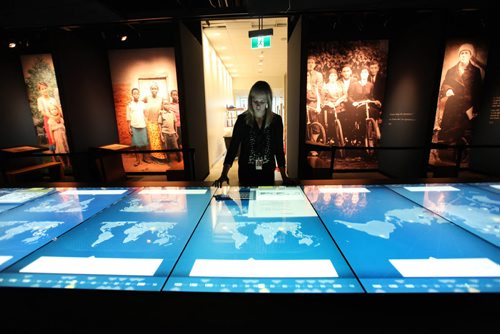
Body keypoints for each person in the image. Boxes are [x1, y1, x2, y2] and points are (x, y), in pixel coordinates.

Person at [213, 81, 295, 187]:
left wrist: (284, 176)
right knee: (246, 202)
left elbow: (279, 149)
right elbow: (233, 148)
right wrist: (224, 174)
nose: (257, 106)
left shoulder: (276, 121)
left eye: (262, 102)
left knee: (265, 201)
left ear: (268, 102)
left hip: (267, 172)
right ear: (250, 100)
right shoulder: (242, 120)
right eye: (255, 101)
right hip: (246, 172)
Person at [434, 42, 483, 161]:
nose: (463, 55)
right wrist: (448, 90)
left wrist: (476, 108)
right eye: (462, 53)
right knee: (448, 130)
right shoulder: (451, 70)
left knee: (463, 131)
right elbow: (445, 84)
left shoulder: (475, 71)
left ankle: (462, 157)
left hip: (467, 106)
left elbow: (478, 90)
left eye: (466, 53)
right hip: (453, 105)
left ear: (470, 55)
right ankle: (445, 156)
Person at [126, 88, 149, 167]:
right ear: (132, 94)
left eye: (137, 93)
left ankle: (145, 158)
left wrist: (146, 124)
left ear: (139, 94)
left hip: (143, 125)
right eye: (134, 93)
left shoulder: (142, 104)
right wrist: (129, 128)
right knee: (135, 145)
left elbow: (145, 114)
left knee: (144, 144)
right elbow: (128, 117)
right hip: (134, 126)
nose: (136, 94)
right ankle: (137, 160)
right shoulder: (129, 104)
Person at [143, 82, 165, 162]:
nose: (154, 90)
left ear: (158, 89)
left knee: (159, 139)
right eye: (152, 88)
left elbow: (163, 108)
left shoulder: (161, 98)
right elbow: (140, 103)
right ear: (150, 90)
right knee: (152, 140)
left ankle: (159, 156)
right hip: (150, 122)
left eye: (155, 88)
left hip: (158, 122)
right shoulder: (147, 98)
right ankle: (154, 156)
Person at [46, 103, 70, 168]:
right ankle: (62, 163)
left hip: (63, 136)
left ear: (57, 109)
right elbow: (51, 131)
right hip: (57, 136)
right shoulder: (50, 120)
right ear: (50, 111)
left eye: (55, 109)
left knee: (66, 148)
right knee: (60, 149)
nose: (54, 111)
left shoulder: (61, 119)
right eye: (52, 110)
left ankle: (68, 162)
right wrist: (53, 139)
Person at [158, 98, 181, 163]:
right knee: (166, 147)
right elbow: (159, 124)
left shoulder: (172, 113)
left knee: (176, 147)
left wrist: (176, 132)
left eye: (167, 104)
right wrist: (161, 135)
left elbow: (175, 123)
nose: (166, 105)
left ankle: (179, 157)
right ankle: (168, 160)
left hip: (173, 132)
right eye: (165, 104)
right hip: (165, 133)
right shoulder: (161, 114)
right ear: (162, 105)